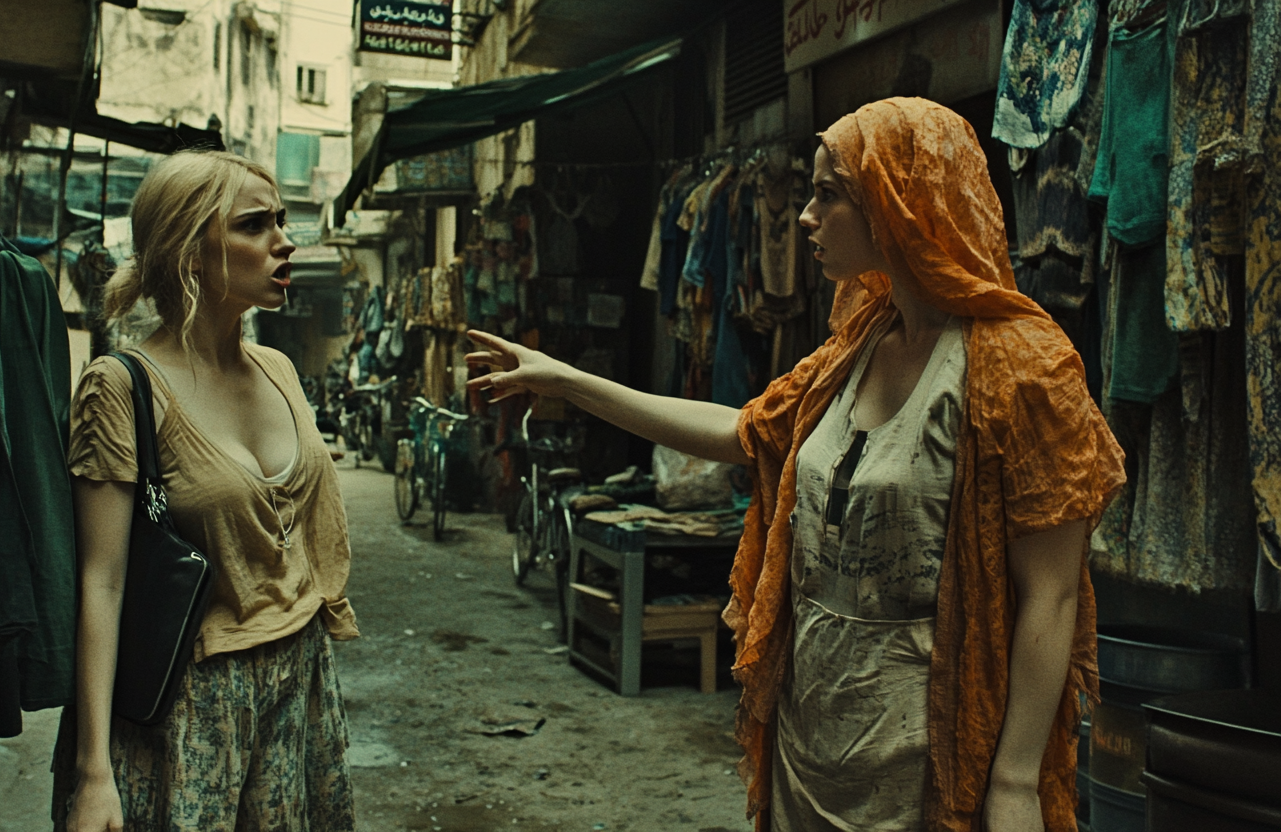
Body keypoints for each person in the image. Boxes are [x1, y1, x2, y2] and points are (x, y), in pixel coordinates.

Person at [466, 97, 1124, 831]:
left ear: (895, 202)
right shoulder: (858, 345)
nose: (805, 216)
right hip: (812, 745)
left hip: (926, 756)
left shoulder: (1020, 369)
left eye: (827, 193)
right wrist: (565, 381)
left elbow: (1053, 595)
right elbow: (741, 429)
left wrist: (1013, 782)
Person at [52, 150, 358, 832]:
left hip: (299, 678)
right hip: (189, 704)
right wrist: (93, 771)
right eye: (255, 225)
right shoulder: (122, 387)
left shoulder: (278, 367)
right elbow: (101, 582)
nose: (285, 241)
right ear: (190, 251)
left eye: (281, 220)